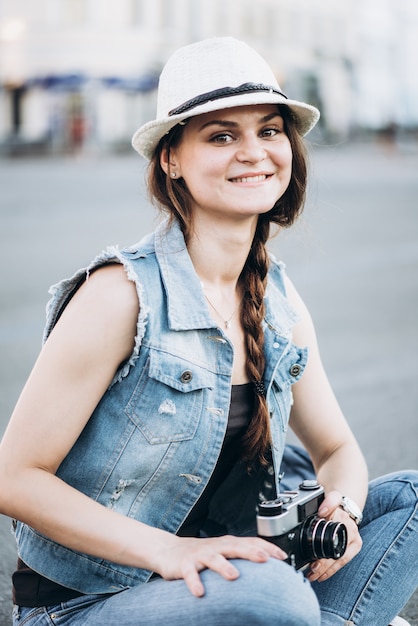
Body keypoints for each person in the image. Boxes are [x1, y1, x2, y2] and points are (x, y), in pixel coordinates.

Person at [0, 37, 416, 626]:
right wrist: (170, 551)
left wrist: (343, 511)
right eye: (222, 136)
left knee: (411, 500)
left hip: (232, 576)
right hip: (92, 601)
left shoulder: (278, 300)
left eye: (269, 131)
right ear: (171, 158)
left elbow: (338, 451)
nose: (254, 152)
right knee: (275, 599)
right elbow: (14, 478)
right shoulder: (122, 295)